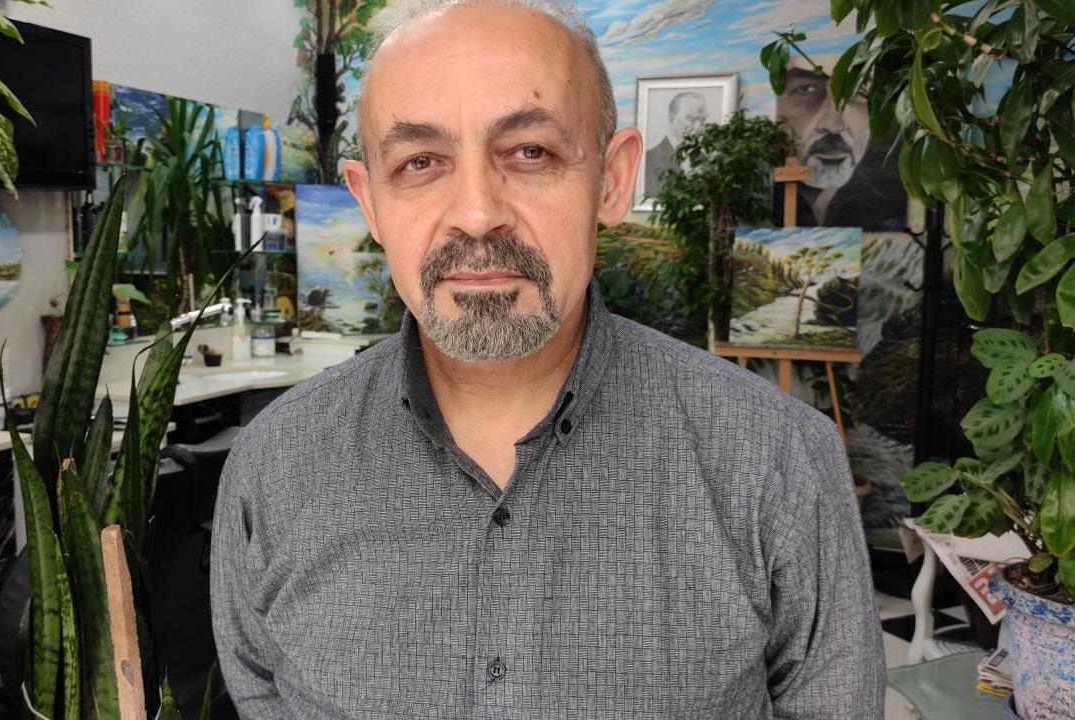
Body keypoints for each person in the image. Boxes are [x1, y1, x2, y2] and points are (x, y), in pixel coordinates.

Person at [210, 1, 885, 718]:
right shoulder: (273, 468)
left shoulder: (778, 462)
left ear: (612, 180)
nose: (477, 213)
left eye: (530, 152)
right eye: (420, 162)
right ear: (369, 202)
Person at [776, 57, 906, 231]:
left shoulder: (895, 205)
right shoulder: (760, 196)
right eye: (806, 89)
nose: (834, 126)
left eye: (858, 91)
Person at [642, 91, 708, 198]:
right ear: (671, 118)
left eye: (702, 120)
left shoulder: (706, 161)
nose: (698, 127)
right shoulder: (649, 159)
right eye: (690, 119)